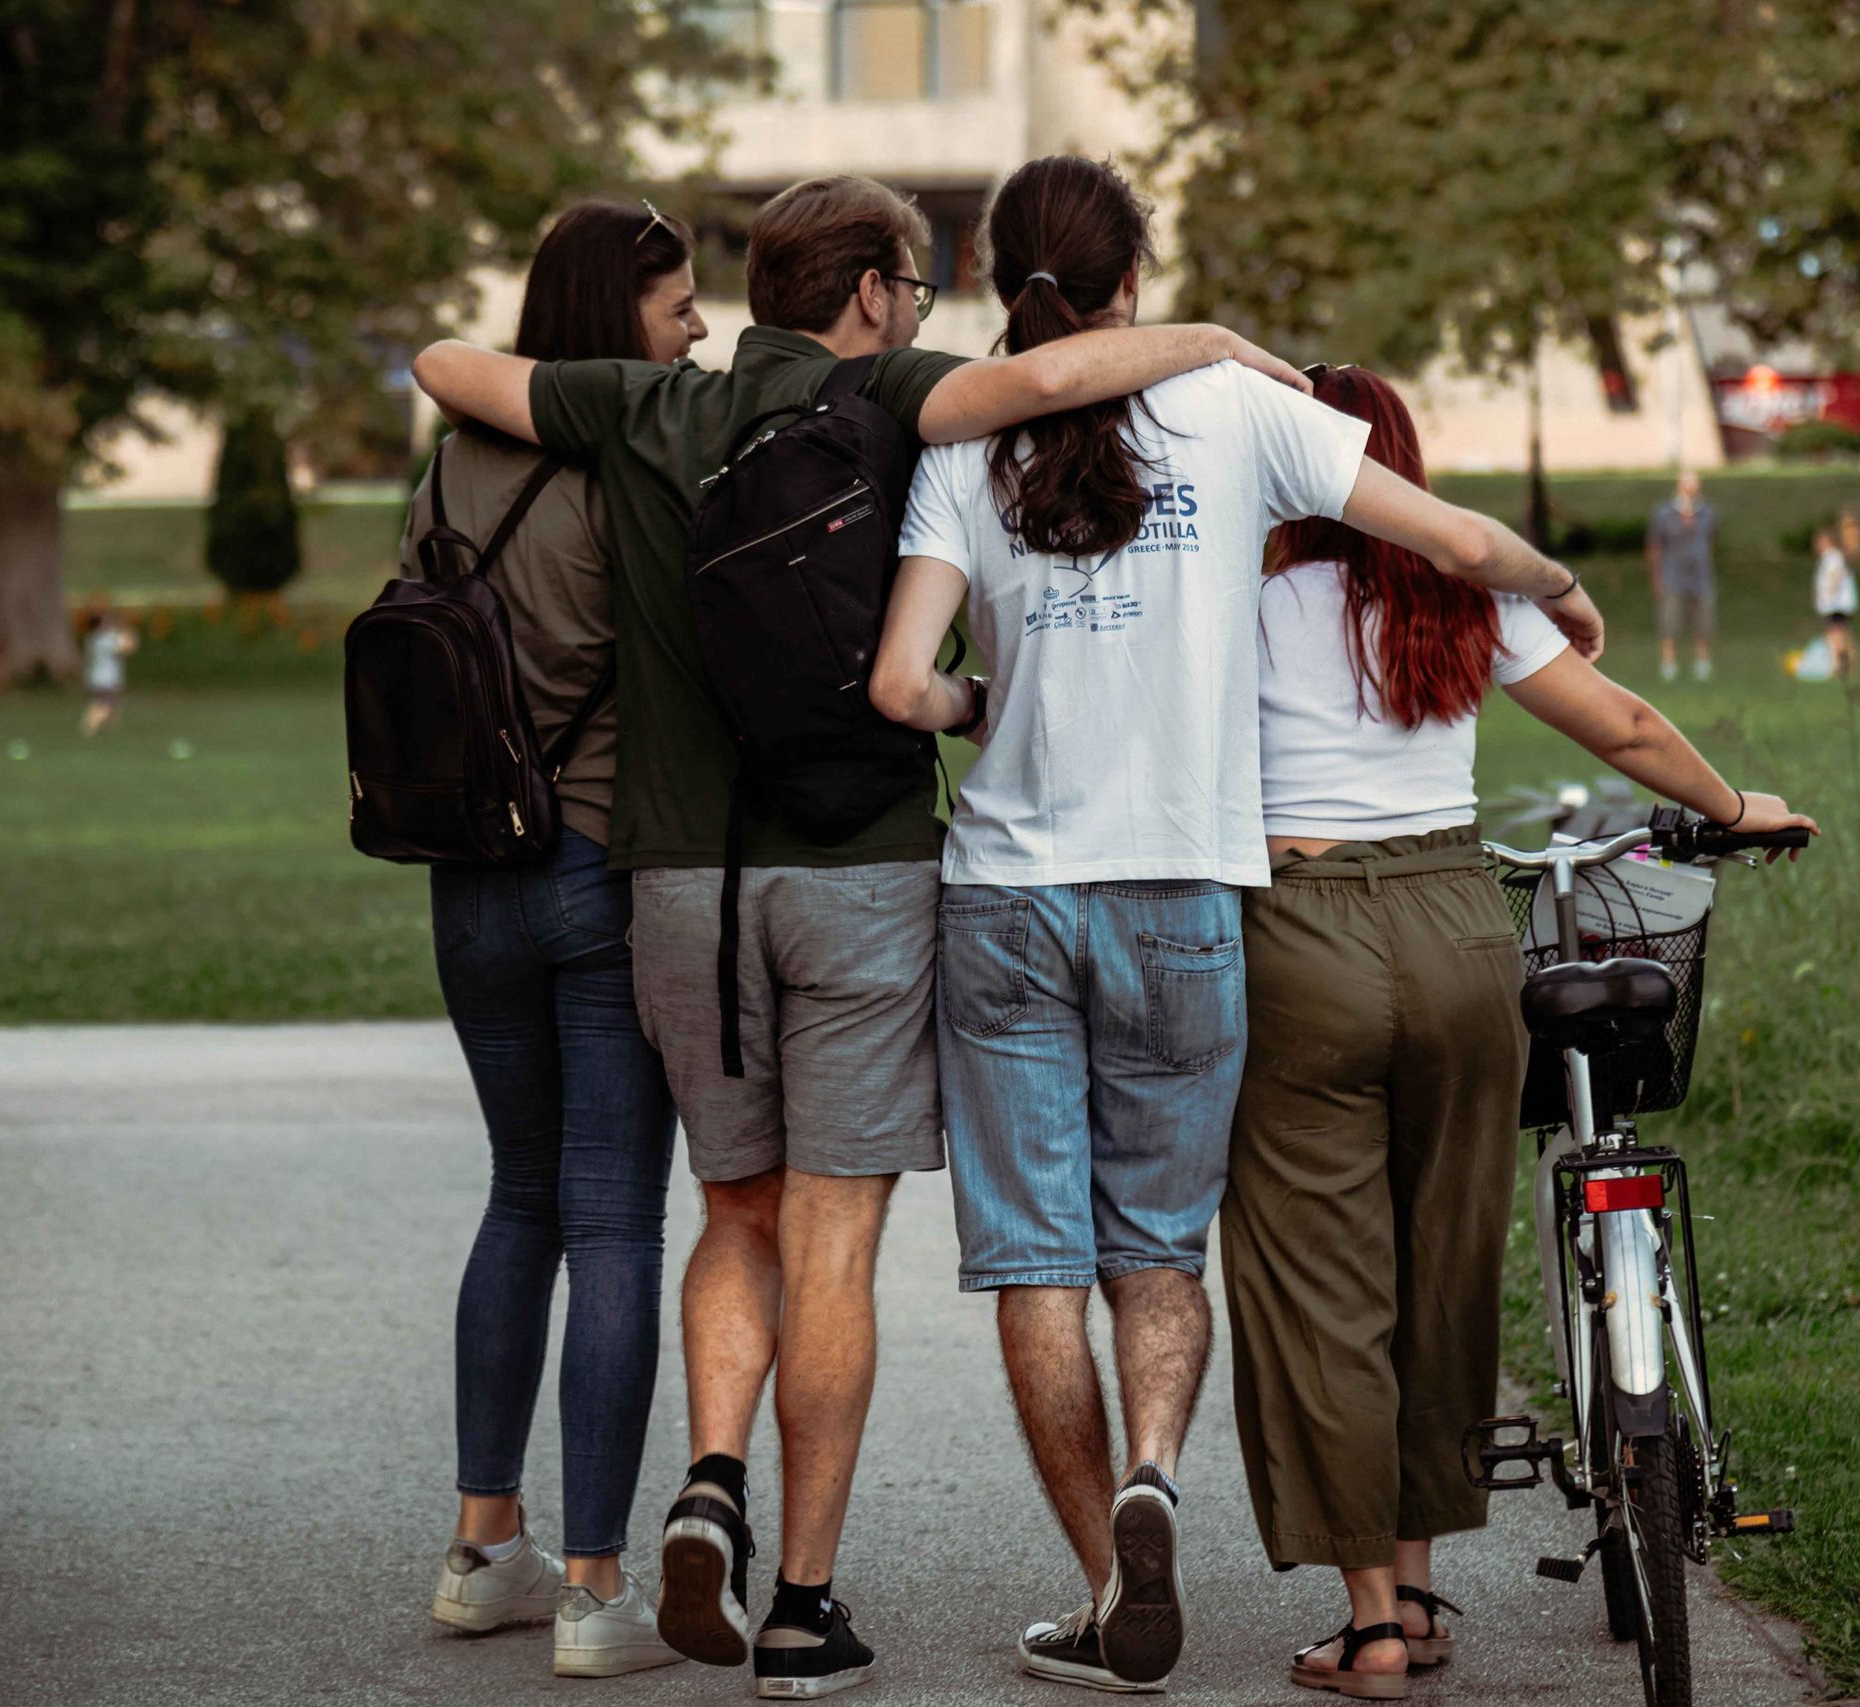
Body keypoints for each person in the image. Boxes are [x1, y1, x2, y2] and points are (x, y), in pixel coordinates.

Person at [409, 173, 1310, 1699]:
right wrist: (1207, 334)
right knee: (835, 1235)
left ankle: (708, 1479)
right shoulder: (894, 394)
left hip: (685, 877)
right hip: (863, 873)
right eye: (912, 284)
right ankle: (804, 1603)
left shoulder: (643, 407)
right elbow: (1053, 376)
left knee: (734, 1215)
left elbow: (443, 369)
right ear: (880, 292)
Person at [864, 157, 1602, 1697]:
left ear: (1002, 274)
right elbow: (1459, 546)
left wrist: (974, 709)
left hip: (1006, 892)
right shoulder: (1246, 408)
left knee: (1034, 1262)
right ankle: (1154, 1461)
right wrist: (1560, 586)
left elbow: (899, 685)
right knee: (1160, 1244)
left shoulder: (970, 436)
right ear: (1138, 268)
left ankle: (1100, 1575)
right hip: (1188, 891)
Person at [1231, 366, 1815, 1699]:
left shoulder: (1244, 603)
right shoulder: (1461, 594)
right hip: (1457, 928)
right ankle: (1423, 1580)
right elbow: (1620, 723)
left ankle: (1371, 1621)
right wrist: (1734, 801)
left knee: (1322, 1276)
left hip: (1301, 928)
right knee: (1443, 1261)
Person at [416, 199, 700, 1680]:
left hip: (466, 876)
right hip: (600, 872)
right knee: (613, 1220)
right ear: (618, 313)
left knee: (515, 1197)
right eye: (676, 305)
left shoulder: (452, 457)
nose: (697, 330)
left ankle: (482, 1547)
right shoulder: (635, 464)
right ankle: (595, 1588)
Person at [1645, 469, 1717, 683]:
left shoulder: (1708, 513)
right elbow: (1654, 548)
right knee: (1670, 622)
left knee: (1703, 622)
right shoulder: (1663, 513)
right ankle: (1669, 664)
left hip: (1701, 577)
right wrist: (1656, 577)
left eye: (1694, 484)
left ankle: (1702, 663)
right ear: (1679, 485)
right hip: (1672, 577)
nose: (1691, 488)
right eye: (1687, 483)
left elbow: (1712, 540)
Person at [79, 597, 135, 735]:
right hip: (106, 678)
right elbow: (128, 646)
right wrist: (125, 630)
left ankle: (109, 732)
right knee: (105, 705)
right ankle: (89, 726)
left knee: (109, 704)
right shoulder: (105, 640)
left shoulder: (93, 639)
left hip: (97, 677)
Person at [1812, 526, 1859, 678]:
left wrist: (1829, 595)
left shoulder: (1832, 557)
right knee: (1842, 634)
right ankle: (1849, 665)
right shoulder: (1832, 557)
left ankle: (1836, 666)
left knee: (1834, 635)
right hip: (1838, 603)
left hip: (1835, 604)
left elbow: (1835, 575)